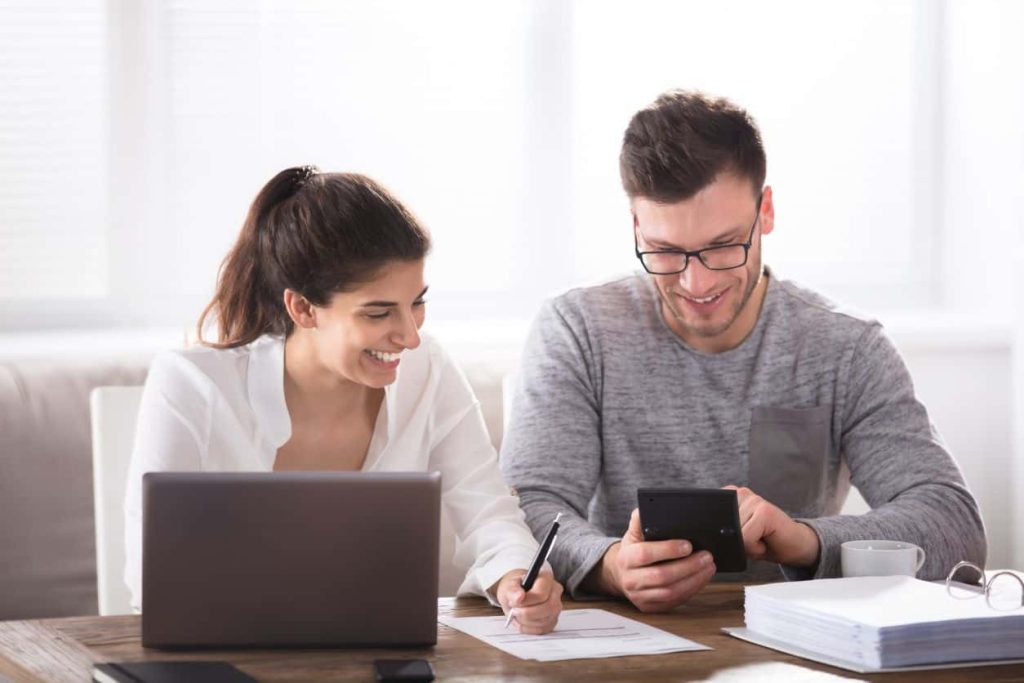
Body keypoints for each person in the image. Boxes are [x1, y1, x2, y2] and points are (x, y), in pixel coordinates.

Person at [500, 90, 987, 613]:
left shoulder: (845, 347)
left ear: (766, 212)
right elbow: (523, 508)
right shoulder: (578, 329)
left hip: (799, 646)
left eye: (723, 246)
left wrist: (805, 539)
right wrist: (609, 566)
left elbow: (953, 525)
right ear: (636, 227)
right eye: (665, 252)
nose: (696, 281)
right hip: (622, 640)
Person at [124, 166, 563, 633]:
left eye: (417, 302)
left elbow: (487, 512)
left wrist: (516, 575)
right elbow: (153, 581)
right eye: (379, 312)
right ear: (303, 308)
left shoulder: (427, 369)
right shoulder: (191, 385)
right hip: (227, 655)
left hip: (381, 655)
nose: (410, 337)